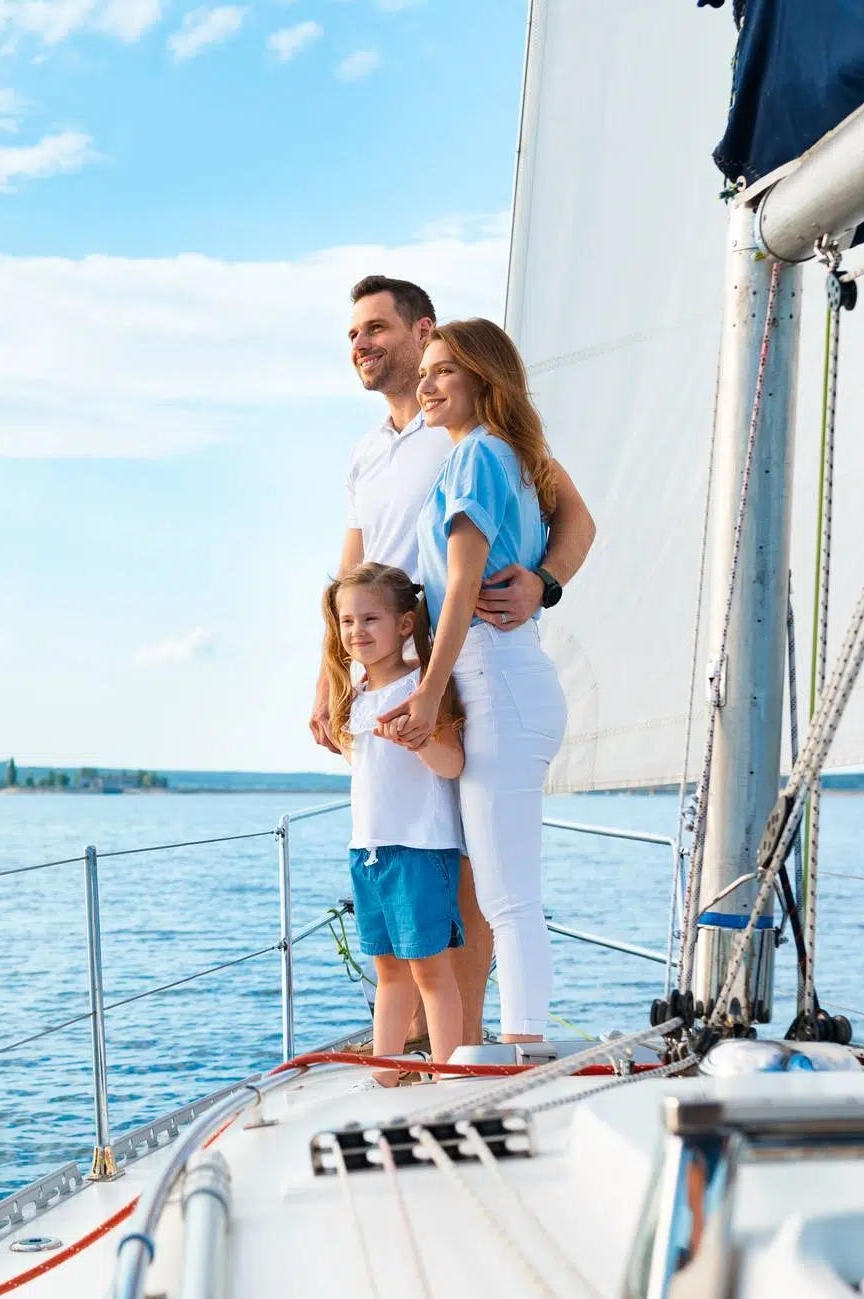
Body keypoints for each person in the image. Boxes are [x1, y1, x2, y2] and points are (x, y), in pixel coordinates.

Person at [312, 275, 595, 1047]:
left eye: (374, 328)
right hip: (385, 673)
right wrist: (327, 675)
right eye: (351, 335)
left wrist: (544, 582)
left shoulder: (473, 436)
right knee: (407, 849)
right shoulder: (366, 454)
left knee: (471, 870)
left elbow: (574, 516)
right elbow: (349, 571)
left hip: (457, 668)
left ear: (421, 331)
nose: (360, 345)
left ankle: (463, 1046)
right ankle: (421, 1049)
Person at [383, 318, 571, 1044]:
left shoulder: (477, 458)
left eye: (443, 372)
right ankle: (514, 1039)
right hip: (505, 677)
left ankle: (523, 1046)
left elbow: (458, 584)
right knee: (502, 890)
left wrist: (427, 693)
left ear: (483, 381)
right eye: (423, 372)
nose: (425, 385)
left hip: (493, 679)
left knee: (506, 895)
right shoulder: (508, 459)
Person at [320, 561, 467, 1081]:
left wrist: (421, 738)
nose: (357, 631)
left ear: (405, 624)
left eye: (370, 619)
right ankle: (387, 1071)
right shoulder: (354, 697)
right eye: (347, 622)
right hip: (369, 851)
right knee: (386, 968)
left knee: (430, 968)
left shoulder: (422, 687)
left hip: (420, 849)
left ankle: (449, 1074)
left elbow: (452, 764)